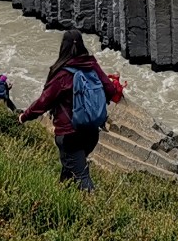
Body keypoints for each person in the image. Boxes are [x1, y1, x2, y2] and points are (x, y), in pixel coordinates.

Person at [18, 30, 123, 192]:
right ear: (82, 45)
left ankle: (94, 209)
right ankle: (60, 199)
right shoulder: (92, 65)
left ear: (63, 47)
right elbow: (109, 89)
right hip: (91, 132)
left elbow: (43, 102)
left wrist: (23, 117)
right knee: (70, 169)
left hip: (70, 134)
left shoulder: (62, 73)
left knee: (81, 176)